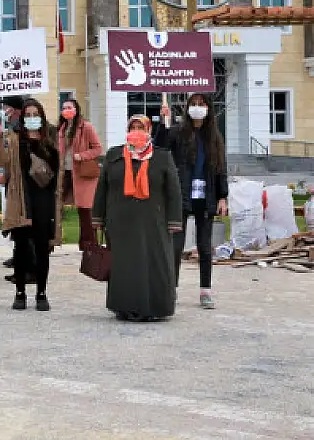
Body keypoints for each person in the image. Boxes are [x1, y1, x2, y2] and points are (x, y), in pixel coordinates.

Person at [92, 115, 183, 321]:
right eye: (133, 127)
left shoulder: (161, 157)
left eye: (141, 128)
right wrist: (97, 217)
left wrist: (174, 220)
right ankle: (124, 306)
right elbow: (102, 188)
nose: (136, 132)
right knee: (123, 265)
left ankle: (154, 308)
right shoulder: (114, 155)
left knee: (154, 263)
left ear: (149, 131)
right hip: (120, 221)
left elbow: (174, 191)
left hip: (153, 222)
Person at [154, 94, 228, 309]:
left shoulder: (214, 136)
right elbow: (160, 149)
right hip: (181, 195)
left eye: (201, 104)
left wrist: (223, 196)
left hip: (206, 197)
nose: (197, 108)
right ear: (187, 108)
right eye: (193, 104)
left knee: (205, 247)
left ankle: (205, 290)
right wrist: (163, 123)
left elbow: (220, 167)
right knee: (176, 245)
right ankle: (172, 289)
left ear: (208, 108)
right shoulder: (178, 131)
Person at [0, 99, 60, 311]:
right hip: (22, 199)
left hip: (44, 200)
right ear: (22, 119)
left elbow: (59, 170)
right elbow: (0, 160)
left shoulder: (50, 140)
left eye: (35, 114)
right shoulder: (14, 139)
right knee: (21, 248)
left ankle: (41, 293)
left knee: (42, 248)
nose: (32, 118)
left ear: (41, 116)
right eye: (28, 115)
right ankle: (20, 293)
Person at [55, 99, 103, 248]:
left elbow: (97, 148)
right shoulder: (62, 128)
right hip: (65, 172)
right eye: (64, 108)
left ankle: (88, 243)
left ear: (76, 109)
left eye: (69, 107)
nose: (66, 110)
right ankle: (54, 239)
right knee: (56, 205)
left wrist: (82, 155)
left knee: (85, 209)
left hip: (82, 173)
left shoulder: (86, 127)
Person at [0, 95, 26, 274]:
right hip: (13, 181)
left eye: (7, 107)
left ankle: (23, 259)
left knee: (21, 221)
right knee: (14, 220)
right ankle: (18, 255)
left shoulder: (21, 128)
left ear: (15, 109)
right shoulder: (11, 127)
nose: (4, 111)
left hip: (23, 183)